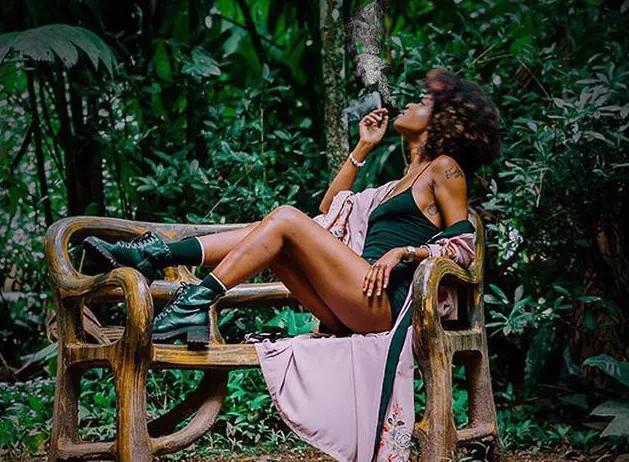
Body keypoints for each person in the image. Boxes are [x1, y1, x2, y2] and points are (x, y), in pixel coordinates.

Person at [83, 68, 500, 347]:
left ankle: (183, 287)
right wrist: (362, 147)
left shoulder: (445, 171)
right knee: (280, 236)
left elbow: (463, 244)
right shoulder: (393, 187)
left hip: (384, 305)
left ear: (443, 121)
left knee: (284, 218)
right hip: (348, 303)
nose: (410, 104)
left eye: (423, 101)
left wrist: (405, 252)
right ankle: (160, 261)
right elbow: (327, 209)